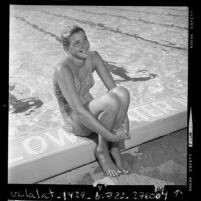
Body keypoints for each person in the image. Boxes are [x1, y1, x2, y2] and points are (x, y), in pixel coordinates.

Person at [53, 25, 131, 177]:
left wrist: (125, 119)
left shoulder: (93, 57)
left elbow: (114, 89)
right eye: (77, 43)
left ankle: (114, 147)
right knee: (112, 102)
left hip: (89, 109)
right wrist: (111, 136)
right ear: (67, 49)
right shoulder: (62, 69)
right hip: (76, 118)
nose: (84, 45)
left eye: (85, 39)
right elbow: (80, 112)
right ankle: (102, 150)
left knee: (122, 92)